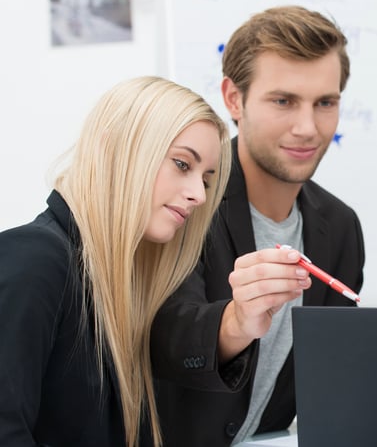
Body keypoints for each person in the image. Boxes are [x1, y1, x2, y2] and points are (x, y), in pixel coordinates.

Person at [150, 6, 366, 446]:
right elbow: (165, 337)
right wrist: (235, 321)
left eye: (325, 103)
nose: (307, 127)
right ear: (233, 99)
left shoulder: (341, 227)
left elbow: (331, 382)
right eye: (283, 101)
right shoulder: (187, 200)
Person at [0, 76, 231, 446]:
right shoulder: (34, 260)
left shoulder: (122, 282)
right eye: (182, 164)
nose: (199, 195)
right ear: (113, 149)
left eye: (206, 178)